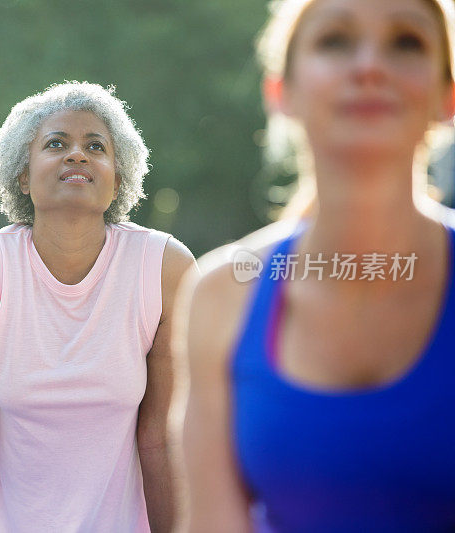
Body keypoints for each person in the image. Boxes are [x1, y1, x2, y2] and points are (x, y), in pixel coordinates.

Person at [180, 0, 455, 531]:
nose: (369, 66)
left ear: (448, 96)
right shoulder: (221, 294)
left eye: (406, 41)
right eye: (335, 40)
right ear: (282, 92)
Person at [0, 82, 196, 532]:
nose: (77, 155)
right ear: (22, 175)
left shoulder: (164, 268)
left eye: (95, 146)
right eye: (56, 144)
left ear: (118, 180)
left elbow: (162, 442)